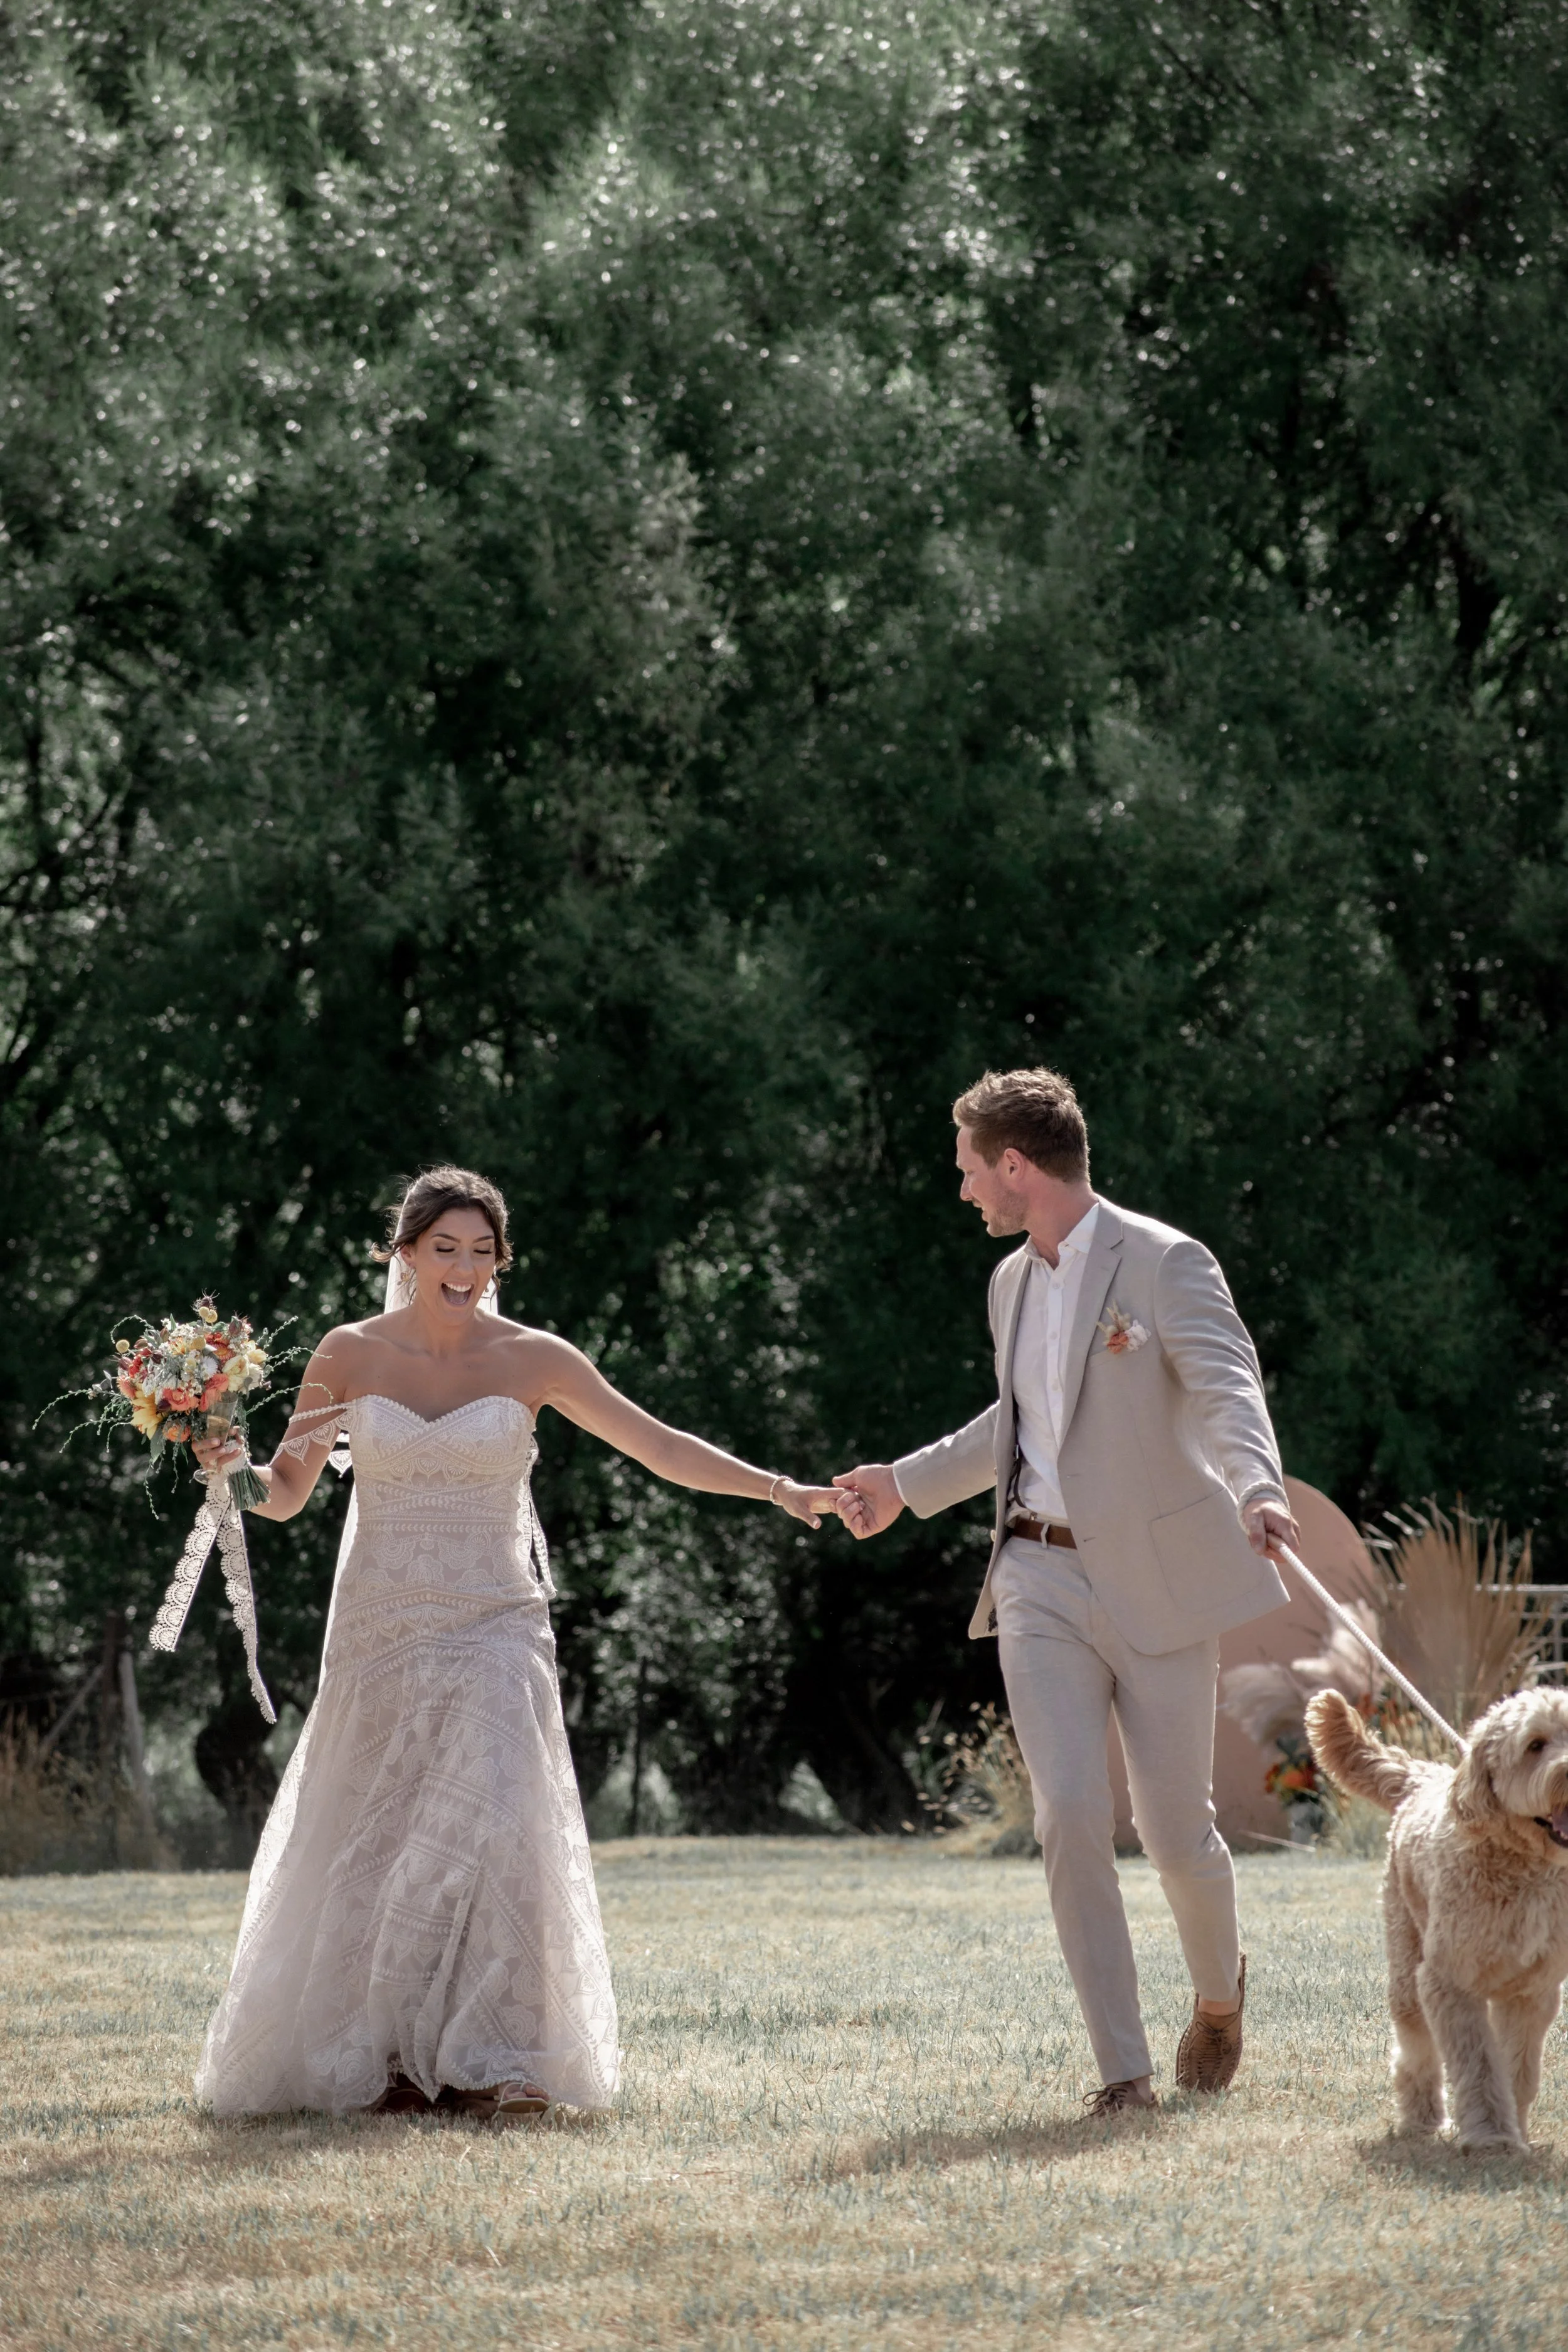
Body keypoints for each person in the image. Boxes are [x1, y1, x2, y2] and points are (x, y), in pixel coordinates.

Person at [193, 1164, 837, 2122]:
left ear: (501, 1260)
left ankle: (499, 2059)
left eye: (482, 1250)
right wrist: (230, 1466)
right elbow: (285, 1494)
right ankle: (391, 2059)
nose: (464, 1266)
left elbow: (658, 1445)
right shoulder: (348, 1353)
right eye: (444, 1247)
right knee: (385, 1835)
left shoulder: (537, 1356)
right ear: (405, 1253)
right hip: (381, 1625)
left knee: (492, 1822)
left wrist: (782, 1489)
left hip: (498, 1619)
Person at [833, 1069, 1300, 2116]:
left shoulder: (1167, 1259)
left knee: (1178, 1833)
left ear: (1016, 1165)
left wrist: (1260, 1489)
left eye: (969, 1171)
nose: (964, 1193)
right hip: (1036, 1573)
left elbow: (1229, 1384)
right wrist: (901, 1486)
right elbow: (1017, 1426)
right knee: (1071, 1812)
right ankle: (1123, 2073)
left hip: (1158, 1576)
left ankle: (1219, 2000)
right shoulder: (1010, 1284)